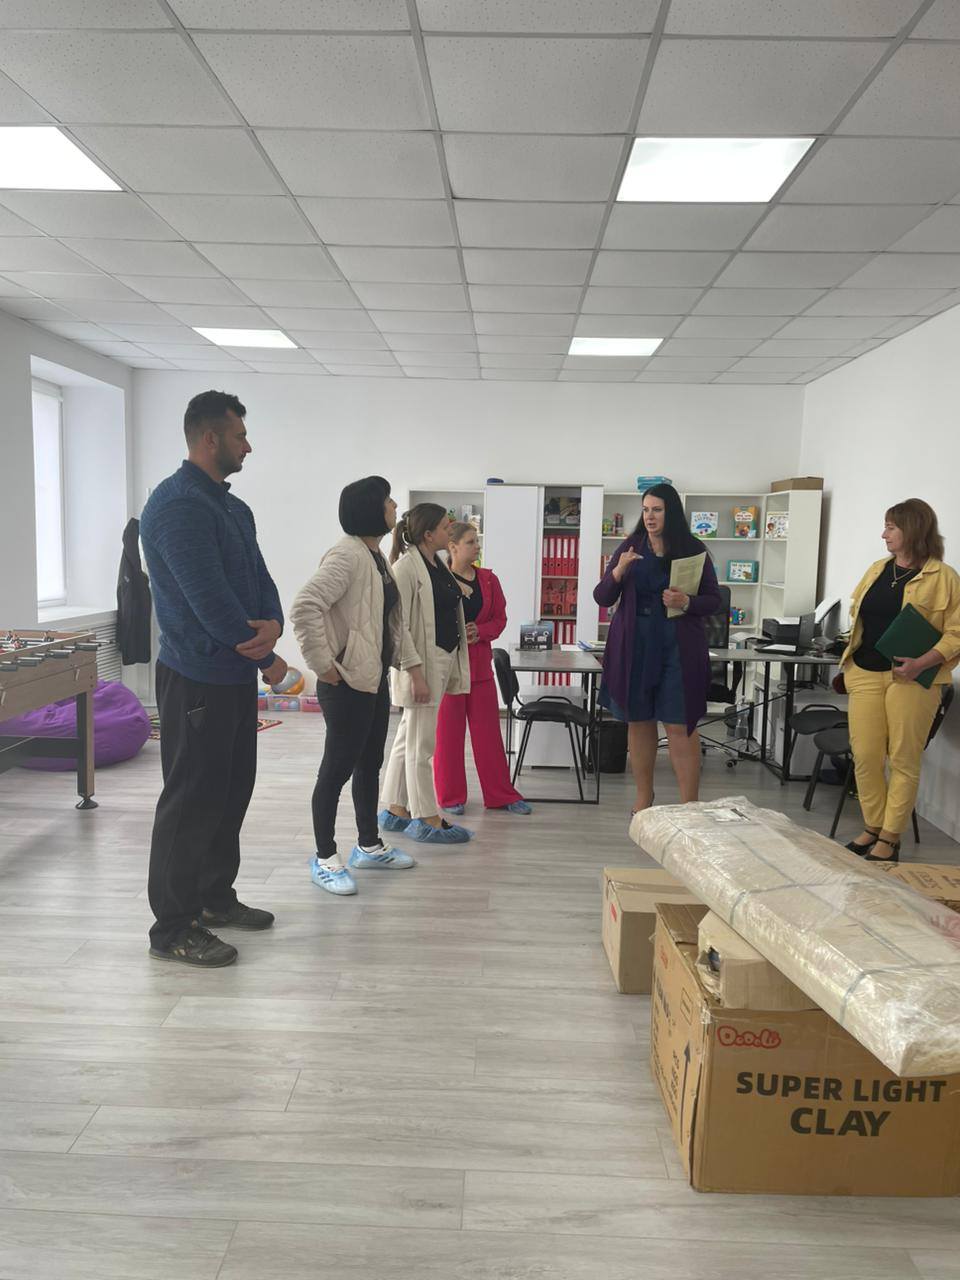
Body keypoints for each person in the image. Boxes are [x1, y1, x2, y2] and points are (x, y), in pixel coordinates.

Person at [140, 390, 286, 967]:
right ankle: (173, 927)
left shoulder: (232, 508)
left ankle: (214, 898)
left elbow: (260, 578)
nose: (247, 445)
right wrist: (270, 662)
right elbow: (210, 601)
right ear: (209, 439)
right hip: (196, 676)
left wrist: (274, 622)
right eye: (239, 435)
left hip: (232, 676)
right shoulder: (177, 506)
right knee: (192, 799)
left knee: (230, 791)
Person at [290, 476, 418, 896]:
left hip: (371, 679)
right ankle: (325, 857)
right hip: (345, 682)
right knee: (336, 770)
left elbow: (386, 620)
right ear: (370, 509)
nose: (394, 506)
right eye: (388, 500)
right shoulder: (347, 555)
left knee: (369, 764)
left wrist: (406, 664)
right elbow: (305, 606)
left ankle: (368, 845)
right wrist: (324, 665)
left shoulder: (374, 555)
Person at [839, 499, 960, 863]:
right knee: (865, 756)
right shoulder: (878, 569)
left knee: (903, 759)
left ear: (913, 529)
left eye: (891, 527)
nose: (884, 534)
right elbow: (860, 618)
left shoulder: (944, 577)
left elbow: (956, 633)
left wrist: (922, 662)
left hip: (912, 679)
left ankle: (890, 838)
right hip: (864, 672)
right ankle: (873, 825)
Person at [594, 483, 721, 814]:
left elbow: (714, 600)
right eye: (646, 510)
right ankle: (644, 798)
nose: (650, 517)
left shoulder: (692, 548)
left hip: (677, 646)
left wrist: (686, 601)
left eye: (657, 510)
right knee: (638, 720)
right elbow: (602, 596)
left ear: (671, 512)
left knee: (679, 723)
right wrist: (619, 571)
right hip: (635, 645)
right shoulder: (631, 546)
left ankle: (690, 806)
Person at [379, 504, 473, 844]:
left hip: (440, 658)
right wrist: (415, 674)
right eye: (446, 527)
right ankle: (426, 816)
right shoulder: (405, 568)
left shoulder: (436, 564)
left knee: (408, 736)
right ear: (429, 534)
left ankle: (396, 807)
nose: (451, 531)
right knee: (422, 745)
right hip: (422, 664)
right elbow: (399, 627)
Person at [433, 521, 531, 816]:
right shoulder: (437, 579)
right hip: (448, 668)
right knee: (448, 737)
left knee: (488, 736)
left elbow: (500, 619)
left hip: (480, 668)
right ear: (453, 547)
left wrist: (482, 630)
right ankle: (451, 797)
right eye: (471, 542)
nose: (477, 546)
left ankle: (501, 795)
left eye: (477, 541)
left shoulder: (488, 580)